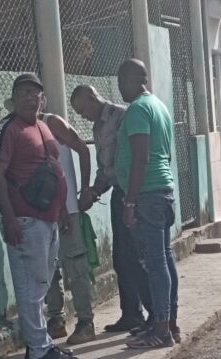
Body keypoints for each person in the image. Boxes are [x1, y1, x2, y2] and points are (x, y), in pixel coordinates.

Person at [0, 73, 80, 359]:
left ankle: (40, 343)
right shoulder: (5, 130)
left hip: (48, 218)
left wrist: (62, 210)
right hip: (24, 219)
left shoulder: (42, 125)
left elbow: (52, 167)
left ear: (43, 99)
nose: (30, 97)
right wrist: (9, 218)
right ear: (13, 98)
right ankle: (39, 349)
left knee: (41, 283)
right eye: (23, 92)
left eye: (35, 93)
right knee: (30, 285)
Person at [70, 84, 156, 334]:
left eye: (82, 109)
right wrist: (94, 191)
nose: (82, 116)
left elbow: (136, 157)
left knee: (139, 257)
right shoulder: (98, 127)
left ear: (91, 97)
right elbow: (106, 168)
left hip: (134, 193)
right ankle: (131, 313)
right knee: (121, 257)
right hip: (118, 193)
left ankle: (155, 315)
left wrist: (132, 198)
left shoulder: (123, 115)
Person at [114, 59, 181, 349]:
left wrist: (130, 202)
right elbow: (163, 154)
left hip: (148, 194)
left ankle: (162, 329)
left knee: (155, 263)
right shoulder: (159, 106)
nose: (119, 90)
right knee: (163, 259)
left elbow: (141, 157)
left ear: (131, 79)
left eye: (120, 82)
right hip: (161, 190)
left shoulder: (139, 109)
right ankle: (167, 324)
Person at [41, 111, 97, 345]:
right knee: (48, 267)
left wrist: (85, 189)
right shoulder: (22, 128)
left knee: (75, 264)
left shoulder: (52, 123)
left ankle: (86, 321)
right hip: (42, 210)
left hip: (68, 208)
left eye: (34, 94)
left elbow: (82, 149)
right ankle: (57, 318)